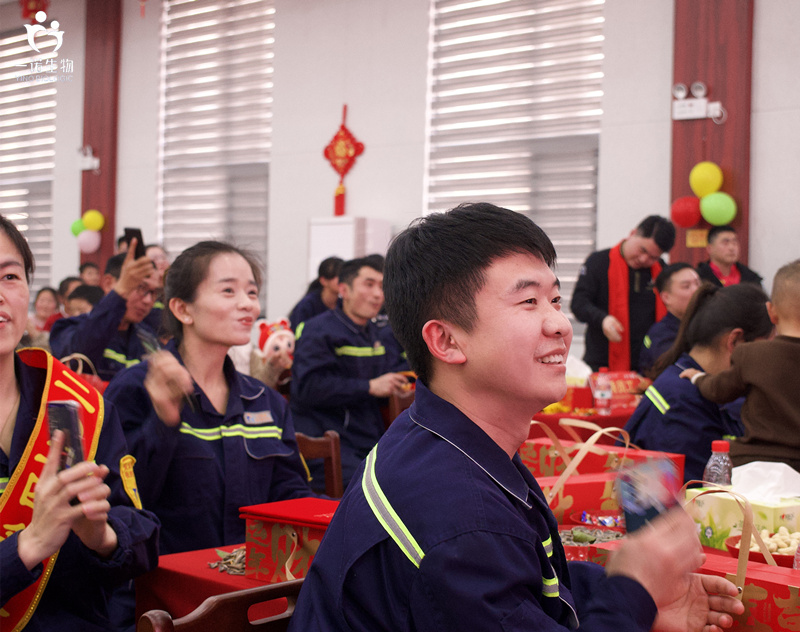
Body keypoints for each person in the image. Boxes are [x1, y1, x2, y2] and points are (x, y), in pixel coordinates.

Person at [288, 203, 743, 632]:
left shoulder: (444, 441)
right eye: (528, 303)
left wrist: (638, 600)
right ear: (446, 341)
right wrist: (632, 591)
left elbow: (524, 587)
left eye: (556, 301)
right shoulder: (459, 516)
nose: (561, 325)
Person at [104, 241, 316, 555]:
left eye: (252, 292)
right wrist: (163, 423)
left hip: (247, 582)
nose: (247, 304)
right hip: (165, 590)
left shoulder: (264, 401)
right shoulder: (136, 388)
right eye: (228, 291)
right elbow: (124, 508)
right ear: (182, 309)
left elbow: (289, 494)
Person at [0, 215, 159, 631]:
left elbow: (141, 534)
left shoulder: (77, 406)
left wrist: (102, 536)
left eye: (10, 276)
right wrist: (28, 546)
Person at [623, 282, 772, 482]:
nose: (770, 359)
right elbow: (699, 497)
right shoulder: (683, 405)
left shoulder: (688, 382)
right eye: (768, 347)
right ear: (735, 341)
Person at [290, 257, 409, 487]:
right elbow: (309, 387)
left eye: (382, 286)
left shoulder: (375, 332)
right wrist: (370, 387)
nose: (378, 294)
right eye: (369, 284)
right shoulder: (318, 330)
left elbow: (393, 366)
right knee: (378, 488)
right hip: (328, 439)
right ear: (344, 289)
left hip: (367, 436)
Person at [681, 260, 800, 471]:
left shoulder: (752, 354)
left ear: (771, 312)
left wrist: (698, 377)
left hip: (759, 461)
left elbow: (719, 390)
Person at [571, 215, 675, 371]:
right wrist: (603, 319)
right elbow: (578, 304)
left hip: (648, 364)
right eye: (642, 250)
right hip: (602, 362)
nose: (643, 259)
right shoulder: (599, 262)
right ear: (633, 233)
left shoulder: (661, 271)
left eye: (653, 257)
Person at [49, 245, 158, 380]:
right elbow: (80, 358)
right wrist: (119, 293)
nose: (148, 300)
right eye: (140, 287)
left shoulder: (148, 338)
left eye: (153, 293)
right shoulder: (69, 327)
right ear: (108, 283)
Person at [638, 263, 701, 375]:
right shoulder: (661, 335)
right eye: (686, 286)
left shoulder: (703, 324)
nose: (696, 290)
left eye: (697, 283)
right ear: (666, 298)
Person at [696, 225, 763, 288]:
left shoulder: (750, 278)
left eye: (735, 243)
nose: (732, 248)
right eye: (725, 243)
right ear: (709, 249)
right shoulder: (699, 278)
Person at [288, 256, 343, 330]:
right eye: (338, 277)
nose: (343, 281)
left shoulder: (343, 304)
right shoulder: (307, 305)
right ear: (323, 281)